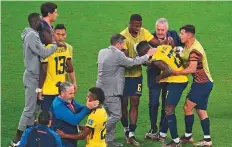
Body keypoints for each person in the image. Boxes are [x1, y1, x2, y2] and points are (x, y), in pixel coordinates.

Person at [10, 12, 65, 147]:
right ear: (35, 22)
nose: (42, 23)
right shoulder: (32, 36)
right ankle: (16, 140)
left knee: (34, 109)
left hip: (34, 76)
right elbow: (43, 52)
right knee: (29, 109)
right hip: (32, 78)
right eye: (40, 21)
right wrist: (54, 45)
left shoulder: (31, 34)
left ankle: (29, 136)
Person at [96, 34, 156, 147]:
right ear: (118, 44)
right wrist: (148, 55)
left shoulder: (102, 51)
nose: (124, 46)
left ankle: (109, 141)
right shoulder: (117, 54)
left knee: (110, 114)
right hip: (111, 90)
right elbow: (132, 63)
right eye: (123, 44)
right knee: (116, 115)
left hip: (101, 87)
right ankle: (96, 129)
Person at [120, 14, 162, 146]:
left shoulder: (144, 32)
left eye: (139, 25)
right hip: (123, 76)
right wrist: (144, 60)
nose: (138, 28)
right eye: (135, 25)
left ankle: (131, 132)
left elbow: (157, 43)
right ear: (129, 23)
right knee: (123, 104)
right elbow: (126, 61)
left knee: (135, 102)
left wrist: (165, 43)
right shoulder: (123, 36)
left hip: (137, 76)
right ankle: (126, 129)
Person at [136, 41, 188, 147]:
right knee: (167, 108)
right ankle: (162, 134)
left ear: (143, 53)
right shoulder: (162, 47)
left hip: (176, 82)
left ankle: (176, 141)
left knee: (169, 109)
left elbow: (168, 70)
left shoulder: (156, 58)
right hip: (181, 79)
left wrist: (158, 78)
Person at [173, 24, 213, 147]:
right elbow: (186, 57)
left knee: (187, 107)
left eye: (182, 33)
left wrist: (175, 72)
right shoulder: (189, 45)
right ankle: (207, 140)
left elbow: (191, 68)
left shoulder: (195, 50)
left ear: (189, 35)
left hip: (202, 84)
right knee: (201, 110)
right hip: (205, 83)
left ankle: (188, 136)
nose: (180, 35)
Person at [145, 18, 183, 139]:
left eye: (162, 30)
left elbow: (181, 48)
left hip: (169, 77)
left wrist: (177, 49)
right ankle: (153, 127)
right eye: (158, 29)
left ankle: (162, 129)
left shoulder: (173, 35)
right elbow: (144, 59)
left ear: (167, 29)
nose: (160, 32)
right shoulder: (149, 39)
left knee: (166, 104)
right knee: (154, 103)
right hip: (155, 76)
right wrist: (151, 61)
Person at [50, 81, 99, 147]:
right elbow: (74, 120)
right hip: (62, 140)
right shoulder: (58, 105)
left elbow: (81, 108)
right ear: (62, 93)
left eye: (73, 93)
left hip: (69, 137)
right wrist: (87, 108)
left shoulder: (68, 100)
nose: (73, 96)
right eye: (70, 93)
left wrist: (92, 106)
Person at [38, 28, 76, 111]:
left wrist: (39, 89)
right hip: (61, 90)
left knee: (47, 116)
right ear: (53, 34)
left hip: (48, 89)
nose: (60, 37)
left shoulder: (46, 49)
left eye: (62, 34)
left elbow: (43, 72)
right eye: (58, 34)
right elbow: (70, 69)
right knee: (59, 115)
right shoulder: (66, 48)